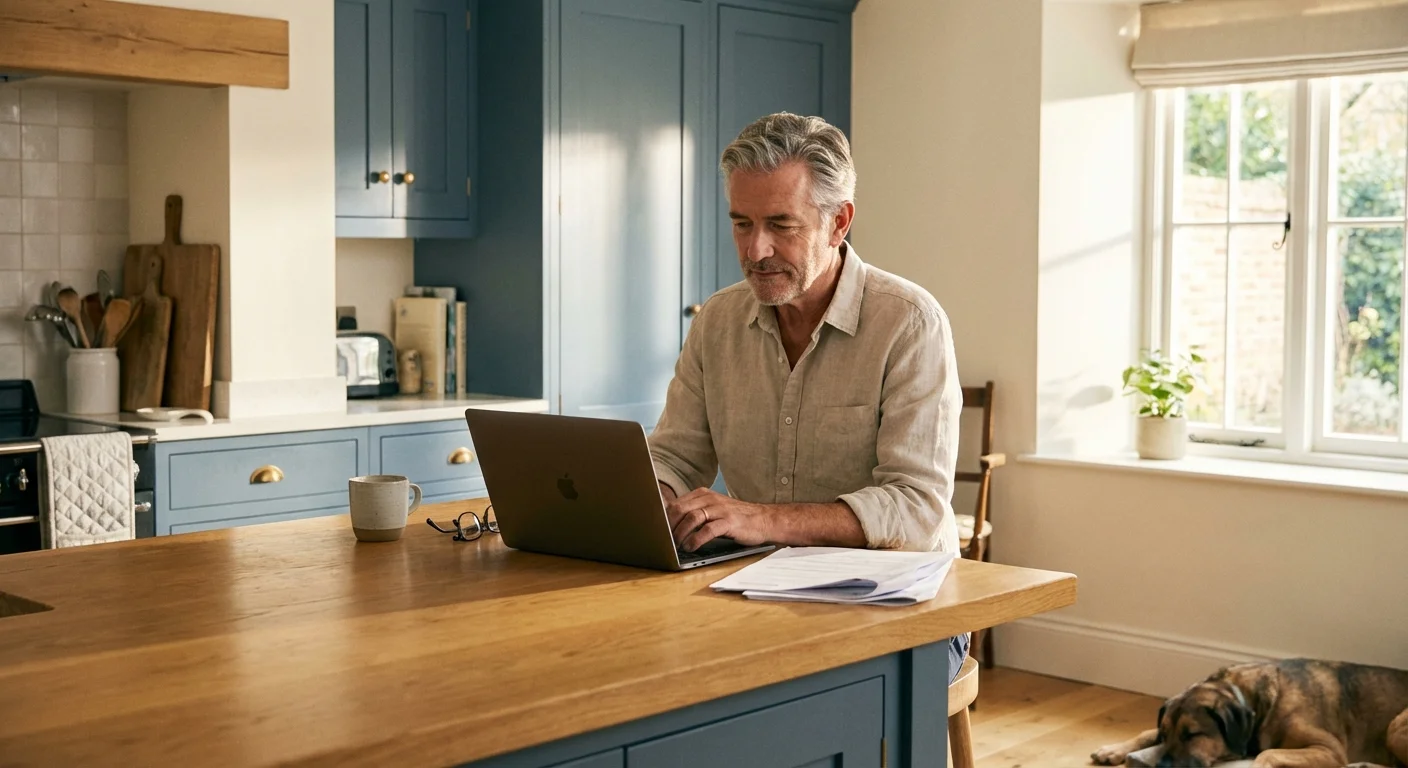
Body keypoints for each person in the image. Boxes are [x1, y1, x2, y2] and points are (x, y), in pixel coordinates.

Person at [647, 112, 969, 679]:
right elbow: (673, 457)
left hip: (903, 606)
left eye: (780, 224)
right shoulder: (718, 321)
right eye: (741, 223)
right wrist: (637, 496)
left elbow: (916, 506)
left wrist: (759, 519)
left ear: (838, 221)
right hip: (757, 588)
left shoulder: (909, 322)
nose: (756, 249)